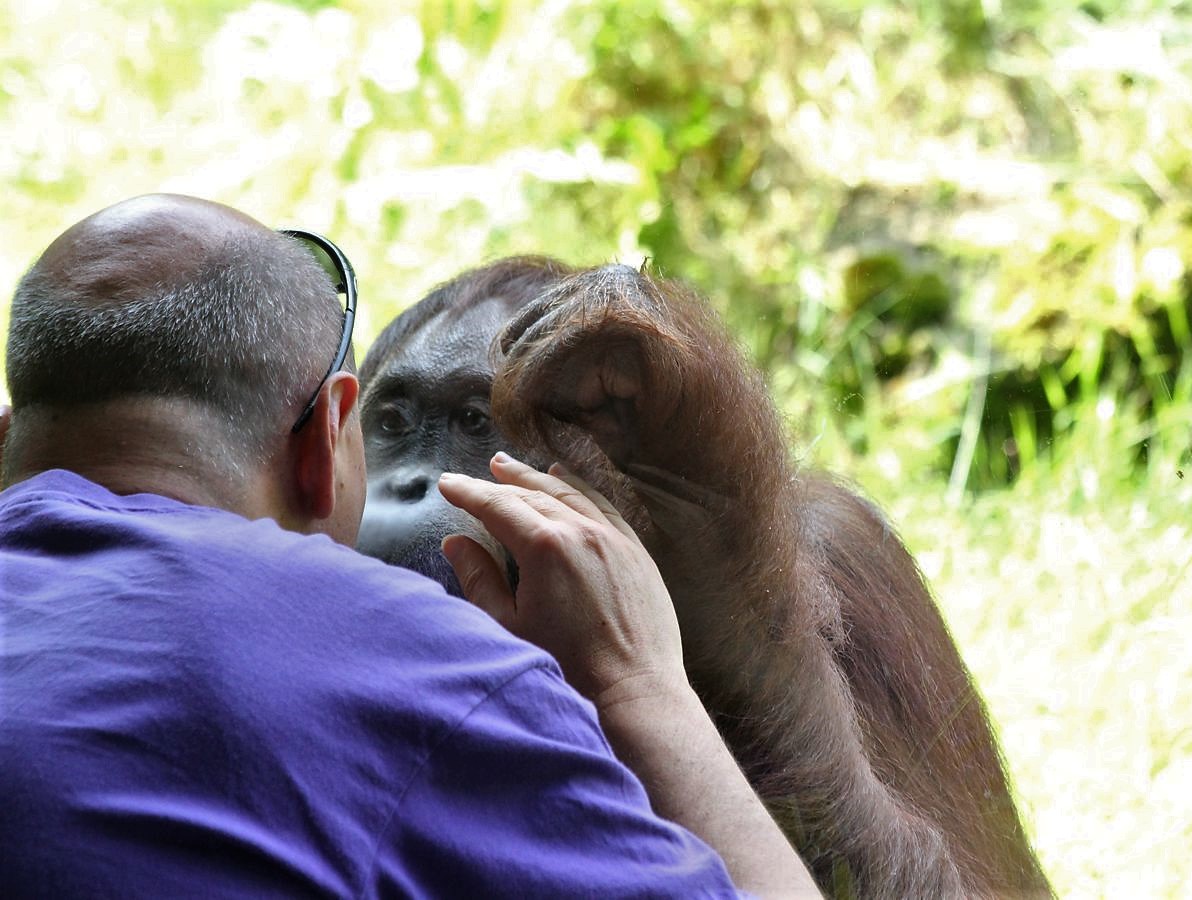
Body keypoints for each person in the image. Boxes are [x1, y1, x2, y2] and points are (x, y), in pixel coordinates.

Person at [0, 194, 819, 898]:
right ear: (332, 440)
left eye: (473, 425)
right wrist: (642, 687)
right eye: (391, 428)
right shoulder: (424, 672)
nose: (413, 491)